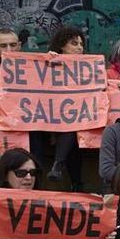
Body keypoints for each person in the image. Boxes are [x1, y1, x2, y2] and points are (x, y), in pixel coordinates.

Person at [41, 26, 89, 187]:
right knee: (71, 126)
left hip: (81, 120)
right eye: (74, 44)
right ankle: (75, 182)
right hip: (52, 119)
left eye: (81, 44)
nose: (79, 48)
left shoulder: (89, 68)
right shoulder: (50, 62)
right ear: (62, 46)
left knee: (73, 127)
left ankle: (61, 167)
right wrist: (48, 62)